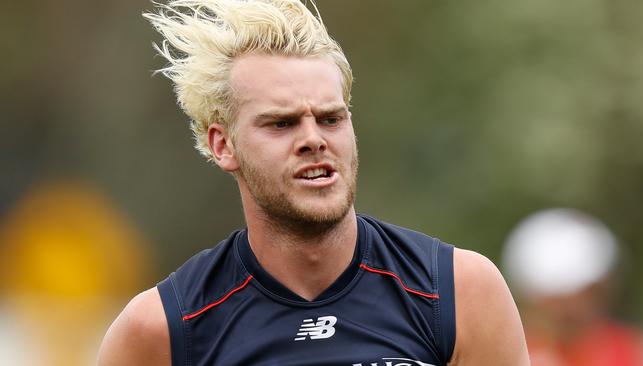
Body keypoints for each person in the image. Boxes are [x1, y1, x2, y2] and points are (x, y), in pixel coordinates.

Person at [98, 1, 529, 365]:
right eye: (281, 123)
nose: (313, 140)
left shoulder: (459, 292)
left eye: (330, 118)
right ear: (223, 145)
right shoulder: (161, 329)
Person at [502, 208, 643, 366]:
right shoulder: (510, 353)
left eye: (584, 293)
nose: (571, 308)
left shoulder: (636, 351)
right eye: (556, 298)